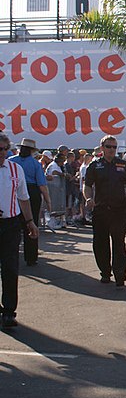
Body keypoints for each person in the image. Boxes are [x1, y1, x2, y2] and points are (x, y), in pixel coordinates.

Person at [83, 135, 126, 287]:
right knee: (100, 243)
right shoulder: (94, 166)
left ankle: (120, 274)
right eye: (109, 147)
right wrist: (88, 198)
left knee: (119, 243)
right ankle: (105, 272)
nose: (112, 150)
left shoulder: (124, 166)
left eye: (114, 147)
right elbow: (87, 186)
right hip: (100, 210)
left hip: (119, 210)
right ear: (102, 148)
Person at [0, 132, 39, 328]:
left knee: (10, 268)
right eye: (0, 149)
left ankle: (8, 311)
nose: (2, 153)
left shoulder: (15, 169)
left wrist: (30, 221)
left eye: (5, 149)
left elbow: (23, 197)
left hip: (10, 225)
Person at [9, 138, 51, 266]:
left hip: (14, 191)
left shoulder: (11, 161)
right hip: (31, 192)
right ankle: (31, 257)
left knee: (13, 225)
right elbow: (42, 185)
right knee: (31, 223)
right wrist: (48, 201)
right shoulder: (35, 164)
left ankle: (11, 255)